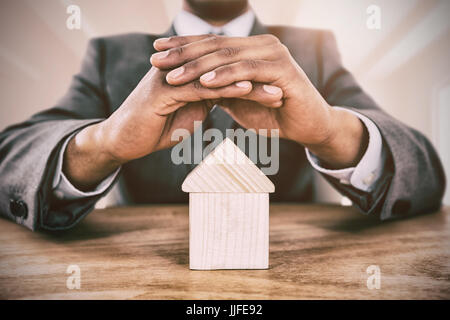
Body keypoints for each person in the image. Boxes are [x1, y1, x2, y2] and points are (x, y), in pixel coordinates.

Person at [0, 0, 445, 231]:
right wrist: (103, 142)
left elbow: (421, 167)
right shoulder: (110, 55)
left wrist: (331, 131)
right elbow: (11, 160)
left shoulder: (313, 50)